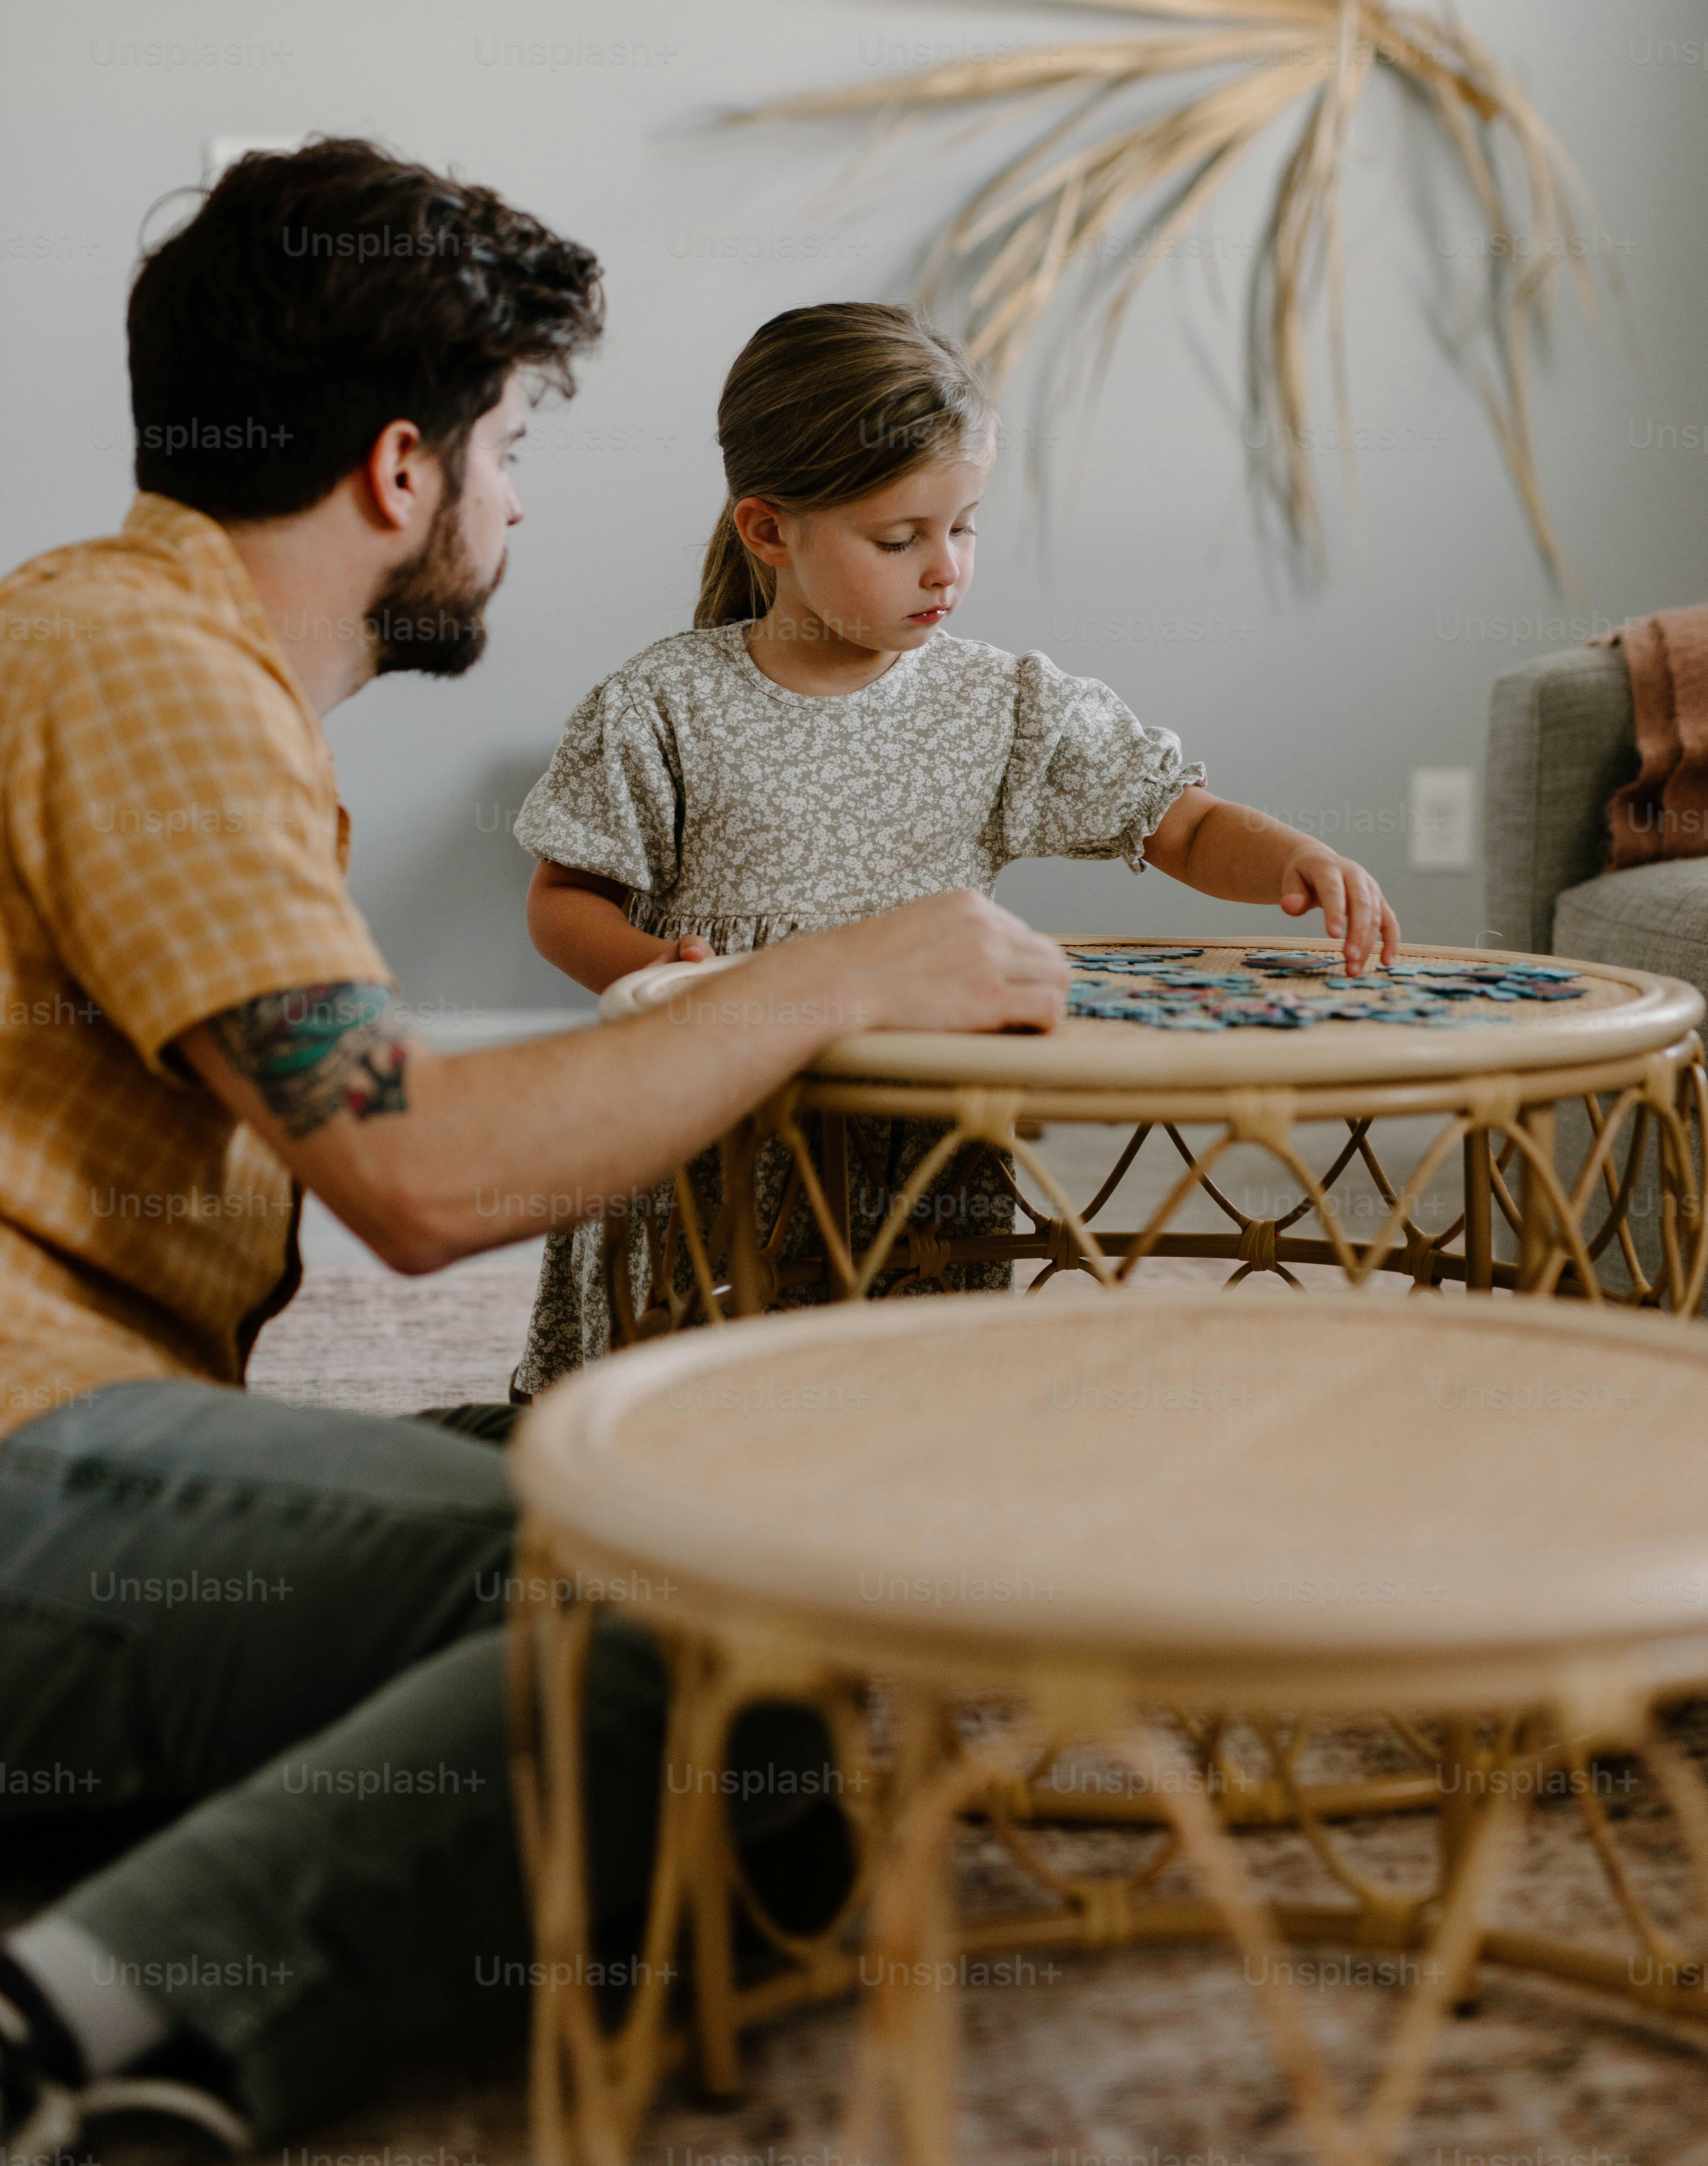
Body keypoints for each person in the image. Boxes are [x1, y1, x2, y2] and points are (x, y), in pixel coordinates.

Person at [0, 143, 1071, 2154]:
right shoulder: (150, 671)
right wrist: (840, 972)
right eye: (505, 453)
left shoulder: (112, 641)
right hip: (23, 1466)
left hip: (81, 1454)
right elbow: (419, 1176)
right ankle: (71, 2025)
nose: (514, 505)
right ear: (401, 473)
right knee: (686, 1612)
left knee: (668, 1449)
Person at [512, 302, 1402, 1387]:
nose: (947, 569)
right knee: (701, 1400)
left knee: (911, 1390)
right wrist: (668, 977)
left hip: (922, 1147)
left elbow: (1180, 821)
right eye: (900, 540)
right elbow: (563, 901)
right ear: (768, 531)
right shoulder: (666, 703)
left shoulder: (1003, 703)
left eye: (966, 526)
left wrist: (1293, 859)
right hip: (718, 1120)